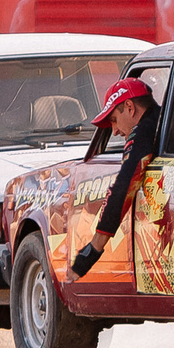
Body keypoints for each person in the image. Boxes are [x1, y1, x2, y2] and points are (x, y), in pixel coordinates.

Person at [68, 76, 157, 280]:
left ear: (129, 107)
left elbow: (124, 186)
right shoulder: (165, 118)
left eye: (114, 120)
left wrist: (91, 252)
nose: (115, 131)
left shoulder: (144, 130)